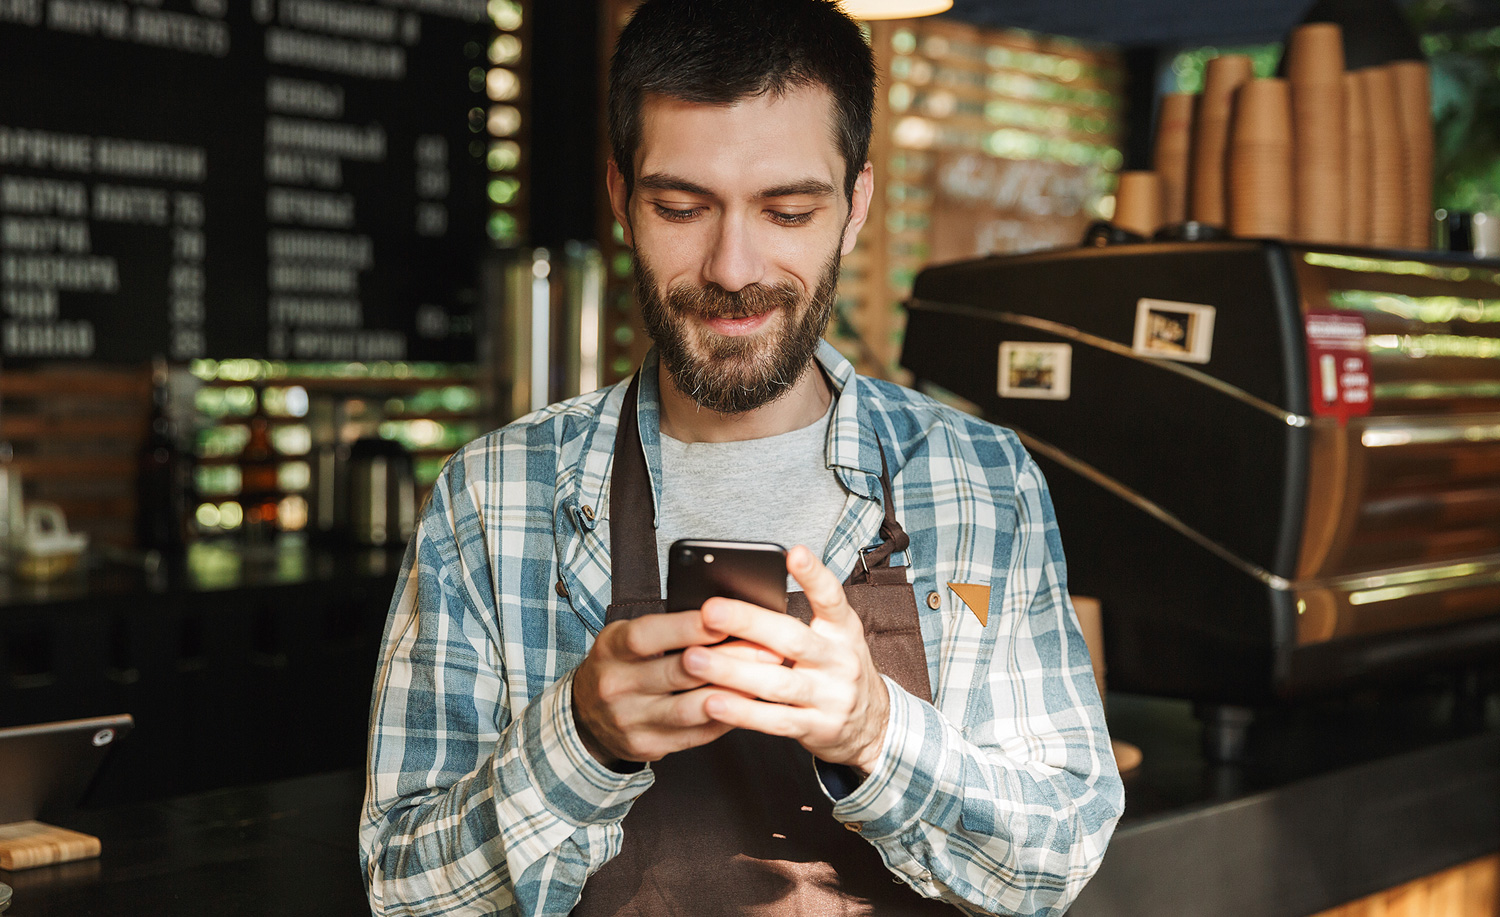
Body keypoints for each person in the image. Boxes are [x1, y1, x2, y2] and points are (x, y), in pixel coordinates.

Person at [360, 1, 1123, 914]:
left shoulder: (980, 479)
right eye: (681, 207)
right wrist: (580, 738)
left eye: (789, 210)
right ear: (621, 199)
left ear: (856, 206)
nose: (731, 266)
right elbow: (403, 891)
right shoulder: (494, 496)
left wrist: (877, 732)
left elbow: (1057, 858)